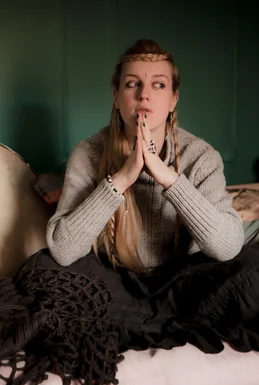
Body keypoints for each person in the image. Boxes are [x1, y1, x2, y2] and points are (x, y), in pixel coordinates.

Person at [46, 38, 245, 270]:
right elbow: (62, 250)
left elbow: (228, 246)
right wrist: (121, 179)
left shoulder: (201, 157)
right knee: (42, 265)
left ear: (173, 99)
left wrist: (168, 177)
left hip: (182, 281)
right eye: (132, 84)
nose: (144, 95)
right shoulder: (88, 153)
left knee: (256, 265)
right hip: (111, 280)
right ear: (117, 97)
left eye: (159, 85)